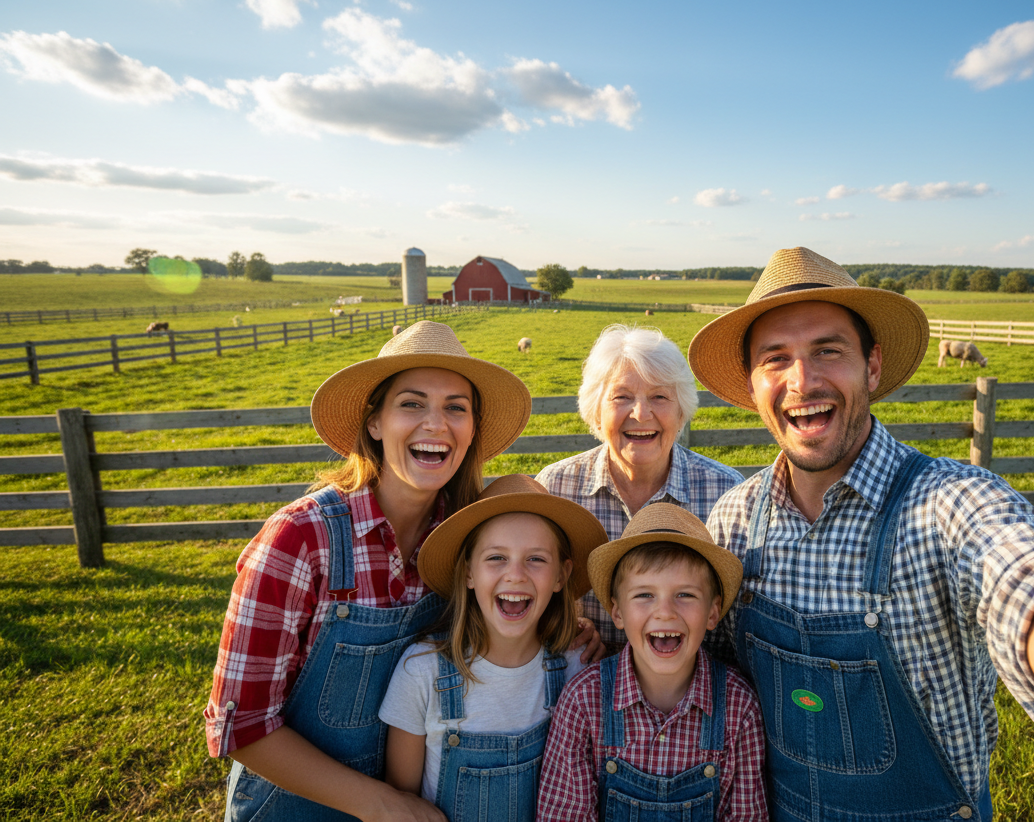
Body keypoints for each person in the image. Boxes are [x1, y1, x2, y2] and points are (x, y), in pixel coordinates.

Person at [686, 247, 1034, 821]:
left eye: (828, 351)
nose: (802, 381)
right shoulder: (734, 522)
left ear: (872, 367)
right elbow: (706, 679)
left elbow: (1031, 583)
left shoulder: (950, 505)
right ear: (752, 385)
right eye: (775, 359)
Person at [204, 321, 600, 821]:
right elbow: (239, 725)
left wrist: (558, 626)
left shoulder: (461, 536)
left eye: (456, 408)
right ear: (374, 423)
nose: (435, 423)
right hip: (296, 808)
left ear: (472, 430)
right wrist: (382, 803)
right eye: (412, 404)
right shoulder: (301, 539)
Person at [379, 474, 608, 822]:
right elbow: (402, 804)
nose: (515, 574)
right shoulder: (422, 671)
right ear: (469, 572)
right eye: (497, 557)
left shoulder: (577, 668)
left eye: (536, 559)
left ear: (561, 576)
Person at [537, 504, 769, 822]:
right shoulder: (584, 700)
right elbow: (565, 814)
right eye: (645, 595)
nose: (665, 612)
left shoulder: (739, 707)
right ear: (617, 613)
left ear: (713, 613)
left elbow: (746, 815)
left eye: (685, 595)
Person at [537, 324, 743, 649]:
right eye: (622, 397)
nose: (641, 413)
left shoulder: (727, 493)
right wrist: (564, 626)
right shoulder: (556, 488)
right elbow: (534, 597)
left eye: (659, 396)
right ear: (596, 410)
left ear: (681, 410)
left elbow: (736, 620)